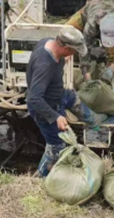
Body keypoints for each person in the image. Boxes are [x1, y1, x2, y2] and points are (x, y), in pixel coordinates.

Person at [26, 26, 105, 177]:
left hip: (59, 95)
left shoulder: (48, 43)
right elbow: (34, 98)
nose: (74, 55)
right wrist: (56, 117)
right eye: (74, 52)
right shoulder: (45, 65)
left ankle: (94, 121)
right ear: (66, 47)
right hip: (46, 108)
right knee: (56, 146)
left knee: (73, 98)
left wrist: (63, 57)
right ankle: (39, 178)